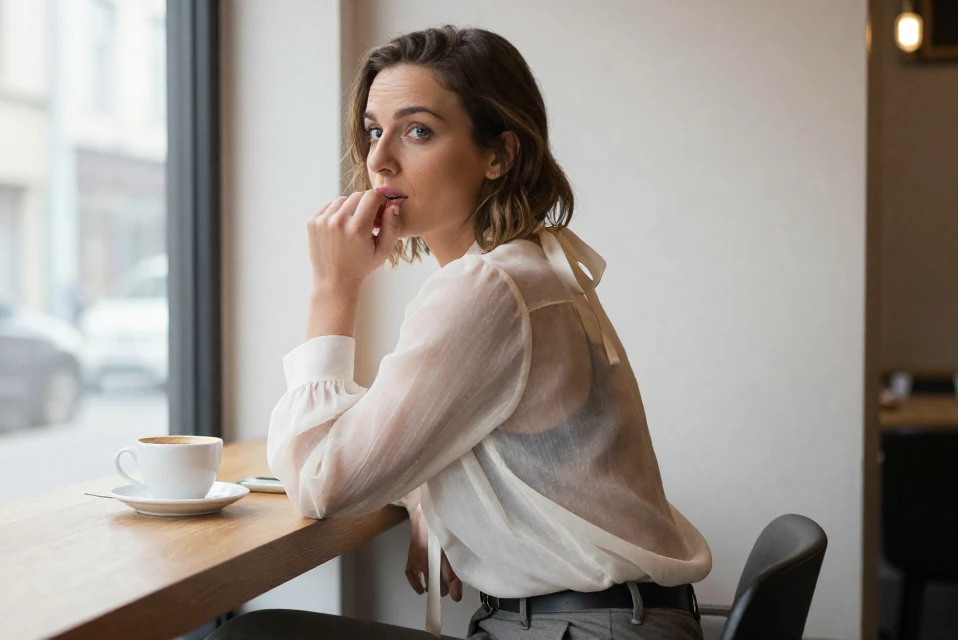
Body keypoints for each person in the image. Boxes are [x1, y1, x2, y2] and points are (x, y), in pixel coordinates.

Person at [212, 25, 711, 640]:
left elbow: (323, 483)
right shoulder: (530, 267)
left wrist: (332, 289)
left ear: (498, 154)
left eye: (417, 130)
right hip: (616, 620)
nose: (379, 159)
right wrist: (431, 493)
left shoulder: (487, 290)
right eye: (374, 130)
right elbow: (478, 436)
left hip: (582, 631)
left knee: (252, 636)